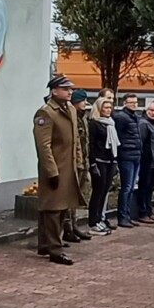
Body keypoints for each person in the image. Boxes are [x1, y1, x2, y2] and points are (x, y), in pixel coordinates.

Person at [33, 76, 83, 265]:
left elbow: (75, 139)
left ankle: (47, 244)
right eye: (65, 89)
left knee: (63, 207)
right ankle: (55, 249)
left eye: (70, 89)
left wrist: (79, 162)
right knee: (53, 209)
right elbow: (43, 146)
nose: (70, 92)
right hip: (55, 168)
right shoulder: (46, 113)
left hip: (68, 167)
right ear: (54, 91)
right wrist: (52, 171)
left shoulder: (70, 109)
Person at [113, 94, 148, 228]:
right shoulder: (121, 117)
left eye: (136, 102)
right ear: (125, 103)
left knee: (131, 187)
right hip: (126, 156)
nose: (134, 104)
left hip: (136, 155)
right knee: (126, 188)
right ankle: (122, 216)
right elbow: (119, 137)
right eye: (131, 102)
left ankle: (127, 215)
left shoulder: (135, 117)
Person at [65, 90, 95, 243]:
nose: (85, 104)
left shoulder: (83, 117)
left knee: (77, 197)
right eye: (82, 101)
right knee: (69, 197)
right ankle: (68, 227)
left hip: (83, 161)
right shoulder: (71, 117)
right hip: (73, 162)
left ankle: (74, 224)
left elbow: (85, 142)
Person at [88, 96, 120, 235]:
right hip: (99, 160)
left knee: (105, 191)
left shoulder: (111, 123)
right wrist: (93, 163)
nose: (108, 110)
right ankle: (93, 221)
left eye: (109, 108)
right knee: (98, 191)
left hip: (110, 160)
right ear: (99, 109)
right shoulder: (94, 124)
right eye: (105, 108)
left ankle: (100, 218)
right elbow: (91, 144)